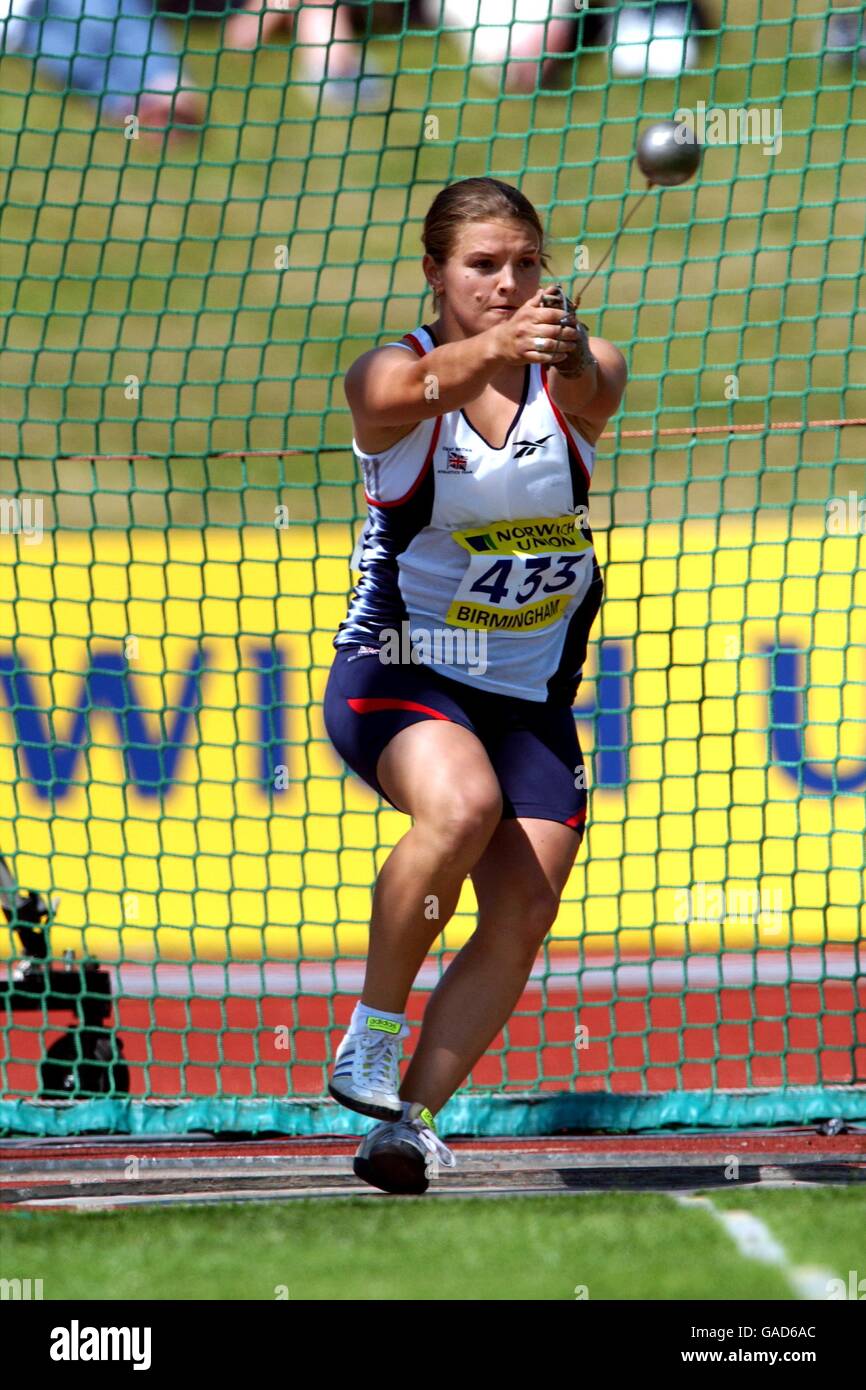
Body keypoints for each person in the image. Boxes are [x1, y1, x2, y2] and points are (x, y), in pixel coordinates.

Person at [323, 176, 628, 1194]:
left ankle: (405, 1125)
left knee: (523, 908)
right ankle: (369, 1030)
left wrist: (566, 352)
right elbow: (386, 400)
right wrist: (493, 350)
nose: (506, 284)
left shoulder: (572, 373)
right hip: (401, 672)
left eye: (525, 265)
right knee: (461, 805)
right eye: (482, 265)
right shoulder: (392, 374)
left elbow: (590, 384)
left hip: (528, 694)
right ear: (434, 274)